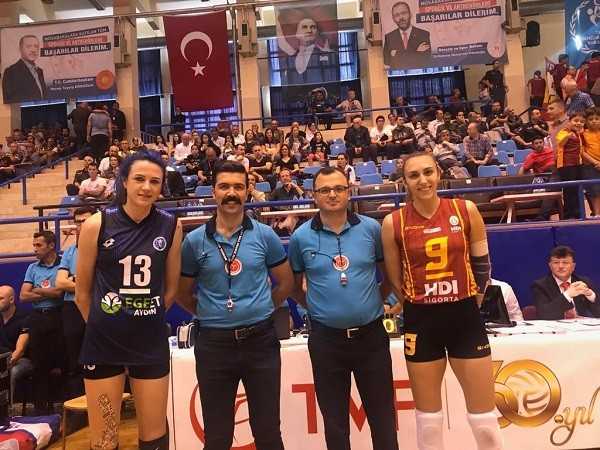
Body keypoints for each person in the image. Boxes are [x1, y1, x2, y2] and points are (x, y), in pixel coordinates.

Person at [381, 152, 503, 450]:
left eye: (428, 172)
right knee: (428, 422)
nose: (422, 180)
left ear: (438, 173)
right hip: (421, 322)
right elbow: (396, 280)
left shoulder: (466, 210)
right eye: (414, 175)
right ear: (405, 182)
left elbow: (483, 266)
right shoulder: (393, 222)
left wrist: (470, 302)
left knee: (485, 420)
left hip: (465, 318)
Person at [178, 160, 294, 450]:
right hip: (214, 346)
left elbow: (286, 283)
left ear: (247, 191)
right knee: (217, 437)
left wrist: (262, 307)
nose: (231, 193)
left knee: (268, 433)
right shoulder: (194, 241)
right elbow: (182, 293)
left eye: (238, 187)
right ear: (213, 191)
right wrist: (210, 313)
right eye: (224, 186)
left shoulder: (265, 235)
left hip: (260, 342)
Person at [75, 150, 182, 450]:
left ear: (161, 186)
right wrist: (104, 323)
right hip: (103, 343)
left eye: (154, 181)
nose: (146, 187)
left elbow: (171, 289)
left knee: (154, 437)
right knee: (105, 439)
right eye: (139, 179)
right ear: (124, 181)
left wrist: (143, 317)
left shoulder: (171, 225)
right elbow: (82, 293)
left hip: (149, 341)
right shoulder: (96, 224)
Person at [288, 166, 399, 450]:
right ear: (314, 195)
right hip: (326, 341)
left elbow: (389, 276)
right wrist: (316, 308)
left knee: (383, 419)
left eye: (339, 188)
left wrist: (374, 300)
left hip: (371, 338)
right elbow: (294, 286)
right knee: (335, 423)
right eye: (325, 190)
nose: (332, 195)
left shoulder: (371, 229)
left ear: (349, 192)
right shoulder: (300, 237)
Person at [19, 231, 64, 415]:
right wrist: (48, 292)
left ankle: (66, 408)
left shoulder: (63, 265)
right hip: (38, 318)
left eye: (39, 245)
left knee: (65, 363)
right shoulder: (32, 267)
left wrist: (37, 290)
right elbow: (23, 295)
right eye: (34, 245)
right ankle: (40, 411)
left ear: (51, 245)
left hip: (59, 316)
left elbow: (60, 293)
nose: (35, 249)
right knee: (39, 365)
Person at [55, 206, 95, 399]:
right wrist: (85, 282)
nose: (81, 225)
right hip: (72, 308)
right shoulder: (70, 251)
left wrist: (74, 279)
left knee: (99, 357)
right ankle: (77, 407)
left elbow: (102, 282)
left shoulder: (105, 248)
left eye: (85, 221)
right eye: (78, 222)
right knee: (75, 359)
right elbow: (60, 282)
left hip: (98, 306)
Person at [532, 246, 600, 320]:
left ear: (573, 266)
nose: (560, 266)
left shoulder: (583, 282)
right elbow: (544, 315)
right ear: (550, 266)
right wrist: (568, 294)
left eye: (565, 262)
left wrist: (590, 295)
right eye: (556, 262)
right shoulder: (540, 286)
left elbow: (598, 313)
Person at [0, 285, 32, 406]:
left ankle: (8, 409)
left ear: (11, 299)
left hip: (21, 359)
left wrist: (3, 366)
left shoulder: (25, 318)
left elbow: (20, 350)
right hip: (2, 359)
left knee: (11, 373)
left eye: (0, 298)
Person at [555, 111, 585, 219]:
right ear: (569, 122)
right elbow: (561, 143)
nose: (579, 123)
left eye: (581, 121)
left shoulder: (578, 133)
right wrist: (567, 136)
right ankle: (568, 215)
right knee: (569, 190)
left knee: (577, 189)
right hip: (566, 165)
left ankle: (578, 213)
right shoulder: (563, 131)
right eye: (576, 121)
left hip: (578, 164)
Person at [384, 1, 431, 69]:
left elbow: (425, 60)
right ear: (393, 19)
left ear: (410, 14)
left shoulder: (423, 34)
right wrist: (416, 53)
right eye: (396, 15)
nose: (401, 17)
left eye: (404, 13)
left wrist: (397, 54)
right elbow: (387, 62)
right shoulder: (389, 37)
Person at [2, 35, 47, 103]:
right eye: (29, 46)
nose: (33, 50)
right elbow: (9, 100)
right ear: (20, 49)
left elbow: (43, 96)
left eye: (36, 46)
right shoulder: (10, 72)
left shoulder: (39, 71)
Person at [270, 169, 304, 235]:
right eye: (282, 176)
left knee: (291, 215)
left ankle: (283, 228)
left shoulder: (297, 189)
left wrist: (296, 187)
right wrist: (282, 208)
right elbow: (269, 203)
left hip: (296, 216)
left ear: (290, 178)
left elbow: (305, 199)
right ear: (280, 180)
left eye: (287, 176)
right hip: (281, 216)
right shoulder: (277, 191)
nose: (285, 178)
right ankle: (286, 230)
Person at [583, 107, 600, 215]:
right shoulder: (583, 134)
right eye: (591, 119)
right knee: (595, 191)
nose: (594, 121)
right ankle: (597, 214)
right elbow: (582, 152)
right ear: (586, 121)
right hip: (590, 166)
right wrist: (596, 162)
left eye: (597, 119)